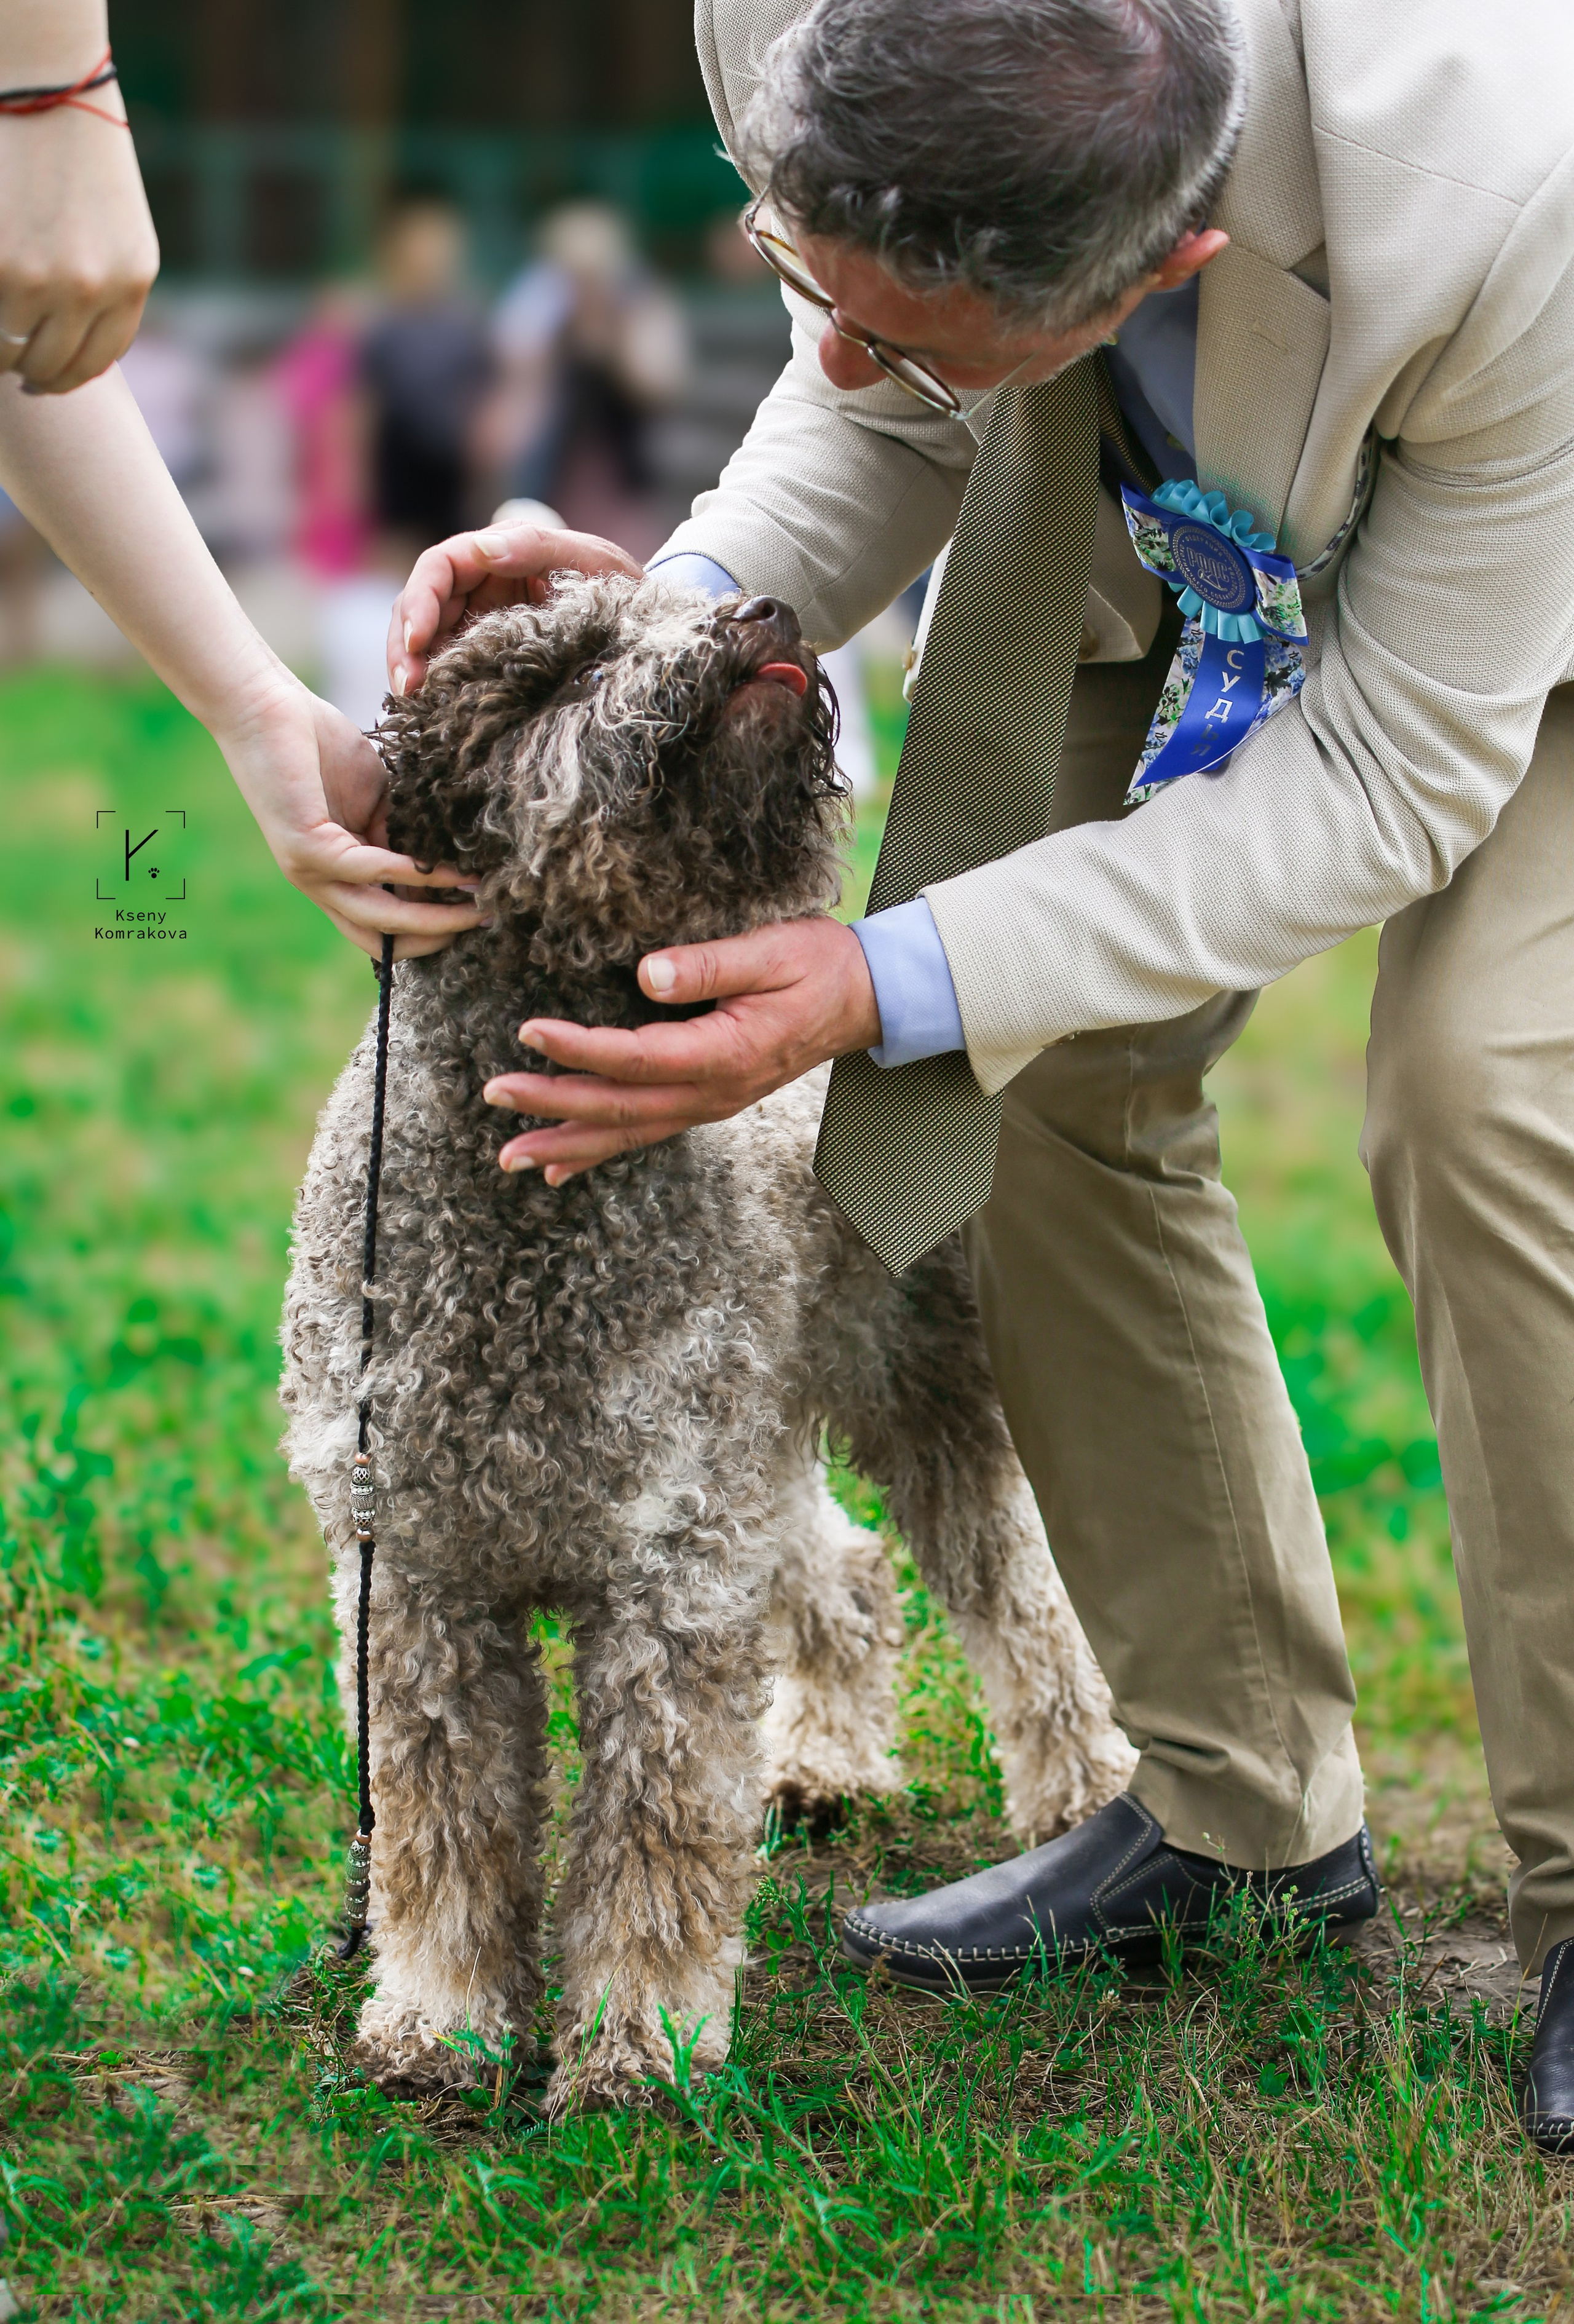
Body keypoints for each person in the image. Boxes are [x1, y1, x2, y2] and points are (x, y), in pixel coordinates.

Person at [387, 0, 1574, 2149]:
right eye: (809, 291)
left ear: (1167, 270)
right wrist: (686, 621)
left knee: (1493, 1102)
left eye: (893, 330)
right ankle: (1244, 1818)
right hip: (1147, 478)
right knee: (1029, 1075)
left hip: (1520, 539)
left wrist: (871, 974)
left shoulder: (1509, 182)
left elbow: (1397, 774)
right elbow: (880, 392)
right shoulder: (800, 18)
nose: (825, 356)